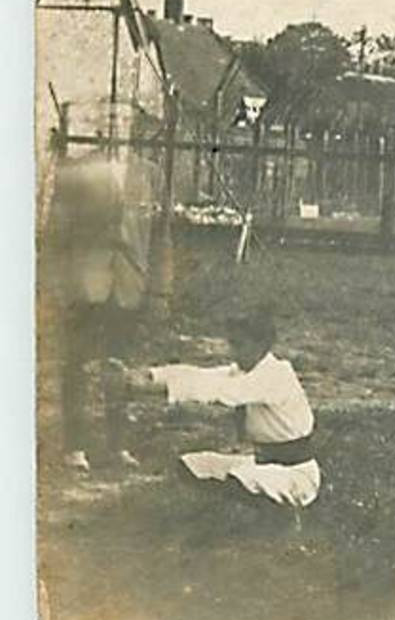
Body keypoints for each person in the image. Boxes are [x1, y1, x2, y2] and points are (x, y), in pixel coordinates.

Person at [121, 306, 320, 508]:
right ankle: (216, 518)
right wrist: (151, 375)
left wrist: (147, 390)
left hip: (295, 474)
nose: (232, 352)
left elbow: (223, 391)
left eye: (238, 344)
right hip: (261, 463)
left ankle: (259, 527)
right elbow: (202, 375)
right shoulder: (245, 371)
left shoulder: (275, 375)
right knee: (193, 465)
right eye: (231, 343)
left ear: (261, 344)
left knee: (241, 480)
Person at [45, 151, 154, 473]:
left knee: (119, 365)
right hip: (85, 282)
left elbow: (156, 234)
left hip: (127, 284)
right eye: (111, 117)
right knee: (76, 363)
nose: (117, 125)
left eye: (124, 117)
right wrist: (58, 283)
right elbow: (57, 231)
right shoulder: (79, 169)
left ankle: (118, 445)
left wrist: (156, 287)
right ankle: (75, 447)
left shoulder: (146, 171)